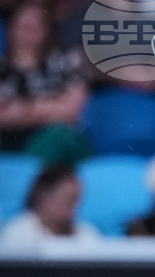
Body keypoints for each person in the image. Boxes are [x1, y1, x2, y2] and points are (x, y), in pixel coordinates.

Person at [0, 1, 90, 162]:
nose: (30, 28)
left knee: (52, 139)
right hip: (8, 138)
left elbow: (70, 111)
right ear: (10, 27)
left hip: (55, 138)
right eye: (24, 24)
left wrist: (18, 110)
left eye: (36, 24)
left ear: (48, 29)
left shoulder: (67, 61)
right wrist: (44, 107)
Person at [0, 162, 100, 242]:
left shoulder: (86, 234)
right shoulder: (17, 233)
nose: (74, 206)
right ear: (44, 194)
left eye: (76, 200)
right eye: (68, 199)